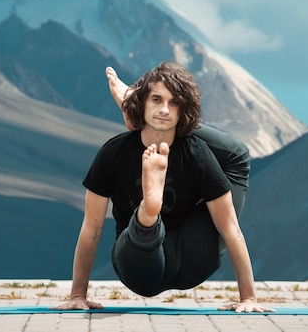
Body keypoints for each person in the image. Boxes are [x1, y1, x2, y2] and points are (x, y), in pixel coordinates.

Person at [53, 61, 271, 313]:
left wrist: (249, 298)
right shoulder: (114, 153)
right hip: (138, 264)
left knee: (235, 160)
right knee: (143, 230)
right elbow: (92, 229)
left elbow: (230, 228)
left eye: (175, 103)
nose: (165, 109)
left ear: (183, 110)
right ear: (143, 102)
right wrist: (78, 294)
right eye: (156, 99)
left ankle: (148, 211)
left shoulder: (196, 153)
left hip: (190, 258)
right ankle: (148, 214)